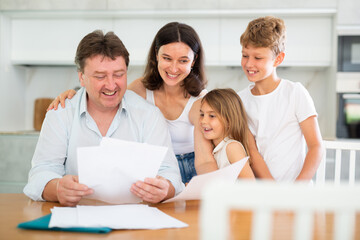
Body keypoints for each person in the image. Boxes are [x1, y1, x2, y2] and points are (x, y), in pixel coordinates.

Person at [24, 30, 184, 206]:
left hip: (135, 219)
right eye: (100, 76)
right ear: (81, 78)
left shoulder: (149, 115)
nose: (111, 84)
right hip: (77, 219)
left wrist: (164, 189)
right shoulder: (60, 114)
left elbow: (171, 174)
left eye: (119, 74)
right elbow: (41, 173)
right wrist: (57, 189)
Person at [47, 22, 208, 184]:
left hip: (190, 169)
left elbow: (204, 160)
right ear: (156, 55)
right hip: (154, 169)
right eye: (167, 58)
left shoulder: (200, 102)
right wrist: (75, 96)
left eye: (183, 61)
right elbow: (110, 95)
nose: (174, 68)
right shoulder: (140, 88)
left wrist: (198, 184)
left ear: (193, 61)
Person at [238, 16, 324, 181]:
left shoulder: (295, 93)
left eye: (258, 58)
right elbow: (253, 154)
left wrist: (296, 190)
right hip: (263, 193)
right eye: (245, 55)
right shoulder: (239, 101)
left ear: (278, 59)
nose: (249, 64)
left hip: (297, 194)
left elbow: (316, 147)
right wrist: (275, 193)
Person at [199, 88, 255, 178]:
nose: (203, 121)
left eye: (212, 116)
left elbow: (250, 185)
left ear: (229, 121)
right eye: (202, 114)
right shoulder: (215, 148)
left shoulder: (232, 147)